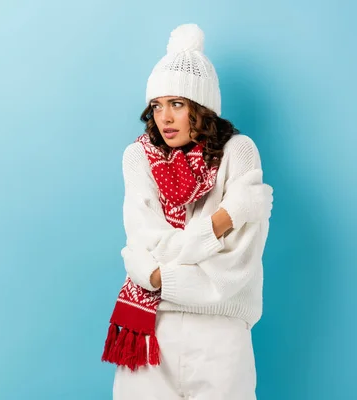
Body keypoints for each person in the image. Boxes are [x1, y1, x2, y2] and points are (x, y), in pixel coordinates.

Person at [101, 24, 274, 399]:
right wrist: (222, 221)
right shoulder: (139, 157)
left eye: (177, 104)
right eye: (157, 105)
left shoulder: (238, 153)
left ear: (202, 107)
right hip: (150, 333)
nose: (164, 118)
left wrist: (158, 276)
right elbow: (144, 239)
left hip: (220, 336)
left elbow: (235, 270)